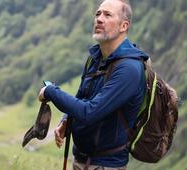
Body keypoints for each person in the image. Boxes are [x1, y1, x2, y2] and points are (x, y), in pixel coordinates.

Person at [38, 0, 149, 169]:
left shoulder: (129, 69)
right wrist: (66, 119)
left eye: (107, 15)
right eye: (98, 13)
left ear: (123, 26)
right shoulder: (96, 57)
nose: (99, 19)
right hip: (81, 159)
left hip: (106, 165)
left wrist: (50, 92)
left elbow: (89, 113)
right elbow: (83, 95)